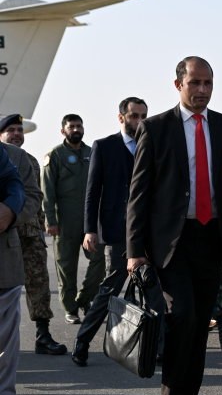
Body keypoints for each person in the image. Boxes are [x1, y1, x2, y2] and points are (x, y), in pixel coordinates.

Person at [126, 56, 222, 395]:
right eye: (195, 83)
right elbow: (139, 194)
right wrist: (135, 250)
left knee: (201, 325)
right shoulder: (156, 128)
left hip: (211, 240)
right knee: (181, 317)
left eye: (208, 83)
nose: (201, 90)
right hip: (171, 243)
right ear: (178, 84)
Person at [72, 97, 148, 365]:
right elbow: (93, 192)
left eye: (143, 116)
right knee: (111, 287)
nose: (139, 121)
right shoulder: (104, 147)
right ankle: (82, 341)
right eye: (134, 116)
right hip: (116, 230)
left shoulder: (153, 145)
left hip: (149, 230)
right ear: (121, 118)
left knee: (155, 289)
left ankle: (156, 347)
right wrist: (90, 230)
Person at [0, 114, 65, 355]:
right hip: (8, 236)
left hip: (32, 233)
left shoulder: (31, 161)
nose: (17, 134)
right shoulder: (4, 157)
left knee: (39, 282)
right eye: (11, 130)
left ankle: (43, 334)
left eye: (20, 130)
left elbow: (34, 196)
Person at [42, 114, 105, 325]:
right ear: (64, 131)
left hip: (90, 221)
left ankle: (84, 298)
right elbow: (47, 191)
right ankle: (71, 309)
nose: (76, 129)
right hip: (64, 220)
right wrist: (50, 220)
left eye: (79, 126)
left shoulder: (92, 152)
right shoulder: (55, 155)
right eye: (71, 127)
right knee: (66, 267)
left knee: (99, 261)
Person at [0, 141, 38, 395]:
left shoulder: (15, 157)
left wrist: (11, 213)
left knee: (6, 335)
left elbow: (33, 196)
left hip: (5, 254)